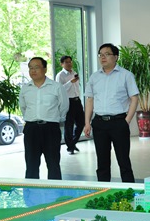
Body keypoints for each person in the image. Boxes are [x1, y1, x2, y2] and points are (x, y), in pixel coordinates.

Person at [84, 43, 139, 182]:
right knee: (102, 162)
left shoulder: (126, 75)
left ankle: (129, 189)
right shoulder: (94, 77)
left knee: (123, 161)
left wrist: (126, 121)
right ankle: (103, 189)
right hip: (99, 123)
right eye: (101, 55)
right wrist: (87, 123)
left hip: (118, 122)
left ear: (116, 57)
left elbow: (134, 98)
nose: (103, 57)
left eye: (107, 54)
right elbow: (90, 100)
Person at [19, 57, 69, 179]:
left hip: (50, 129)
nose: (33, 71)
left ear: (45, 69)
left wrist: (55, 119)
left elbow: (64, 107)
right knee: (31, 165)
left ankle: (55, 190)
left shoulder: (56, 87)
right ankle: (31, 190)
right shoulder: (25, 88)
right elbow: (23, 107)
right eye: (30, 68)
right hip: (31, 129)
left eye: (36, 67)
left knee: (53, 164)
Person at [56, 55, 85, 154]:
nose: (69, 64)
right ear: (62, 64)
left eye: (70, 61)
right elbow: (60, 90)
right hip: (68, 101)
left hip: (77, 100)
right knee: (69, 125)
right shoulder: (60, 75)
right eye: (66, 62)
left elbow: (76, 87)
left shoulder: (74, 73)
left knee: (81, 123)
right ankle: (70, 146)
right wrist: (70, 82)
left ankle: (73, 143)